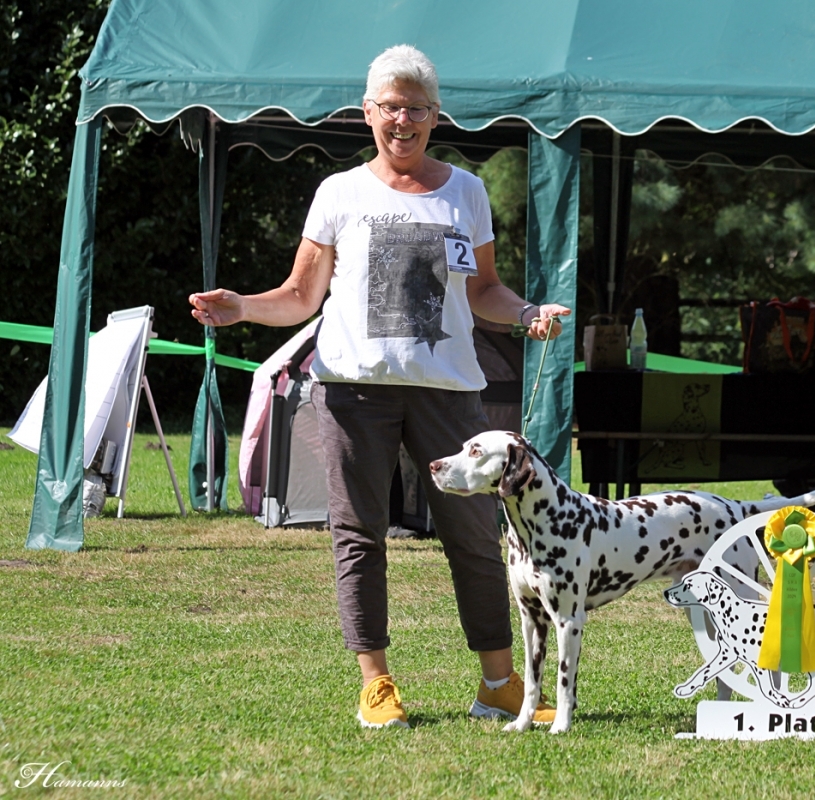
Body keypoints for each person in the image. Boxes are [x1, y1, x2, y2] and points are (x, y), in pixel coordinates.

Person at [189, 44, 570, 729]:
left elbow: (484, 290)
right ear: (368, 113)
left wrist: (526, 314)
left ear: (434, 116)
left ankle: (498, 686)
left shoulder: (467, 191)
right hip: (351, 392)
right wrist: (244, 306)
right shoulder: (338, 193)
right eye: (391, 107)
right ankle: (377, 685)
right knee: (358, 535)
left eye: (417, 109)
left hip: (449, 393)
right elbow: (301, 293)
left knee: (476, 537)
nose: (403, 121)